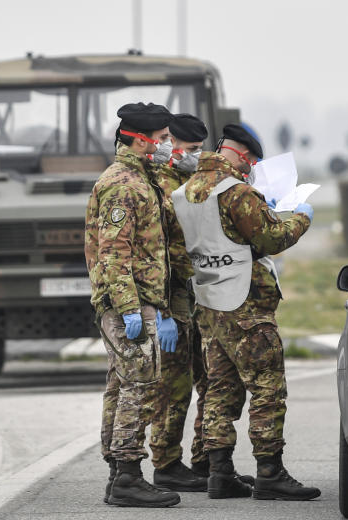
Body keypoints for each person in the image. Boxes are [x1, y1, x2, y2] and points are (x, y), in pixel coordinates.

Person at [171, 123, 320, 501]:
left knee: (221, 389)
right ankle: (270, 472)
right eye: (251, 160)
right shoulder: (236, 192)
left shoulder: (184, 192)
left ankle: (219, 473)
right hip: (246, 304)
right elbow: (271, 239)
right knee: (268, 388)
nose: (251, 168)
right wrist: (300, 217)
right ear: (238, 154)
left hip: (209, 302)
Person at [85, 102, 180, 509]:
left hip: (140, 300)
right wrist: (128, 307)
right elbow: (113, 252)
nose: (166, 146)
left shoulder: (143, 177)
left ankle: (117, 472)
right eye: (161, 139)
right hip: (130, 302)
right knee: (139, 387)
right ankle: (127, 476)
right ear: (140, 141)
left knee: (122, 387)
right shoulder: (125, 184)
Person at [147, 112, 213, 492]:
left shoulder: (193, 181)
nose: (195, 156)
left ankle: (205, 460)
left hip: (200, 294)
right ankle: (167, 463)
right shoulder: (160, 185)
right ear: (172, 146)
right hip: (173, 297)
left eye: (200, 150)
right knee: (174, 385)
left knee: (208, 381)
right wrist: (164, 311)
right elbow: (160, 253)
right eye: (190, 149)